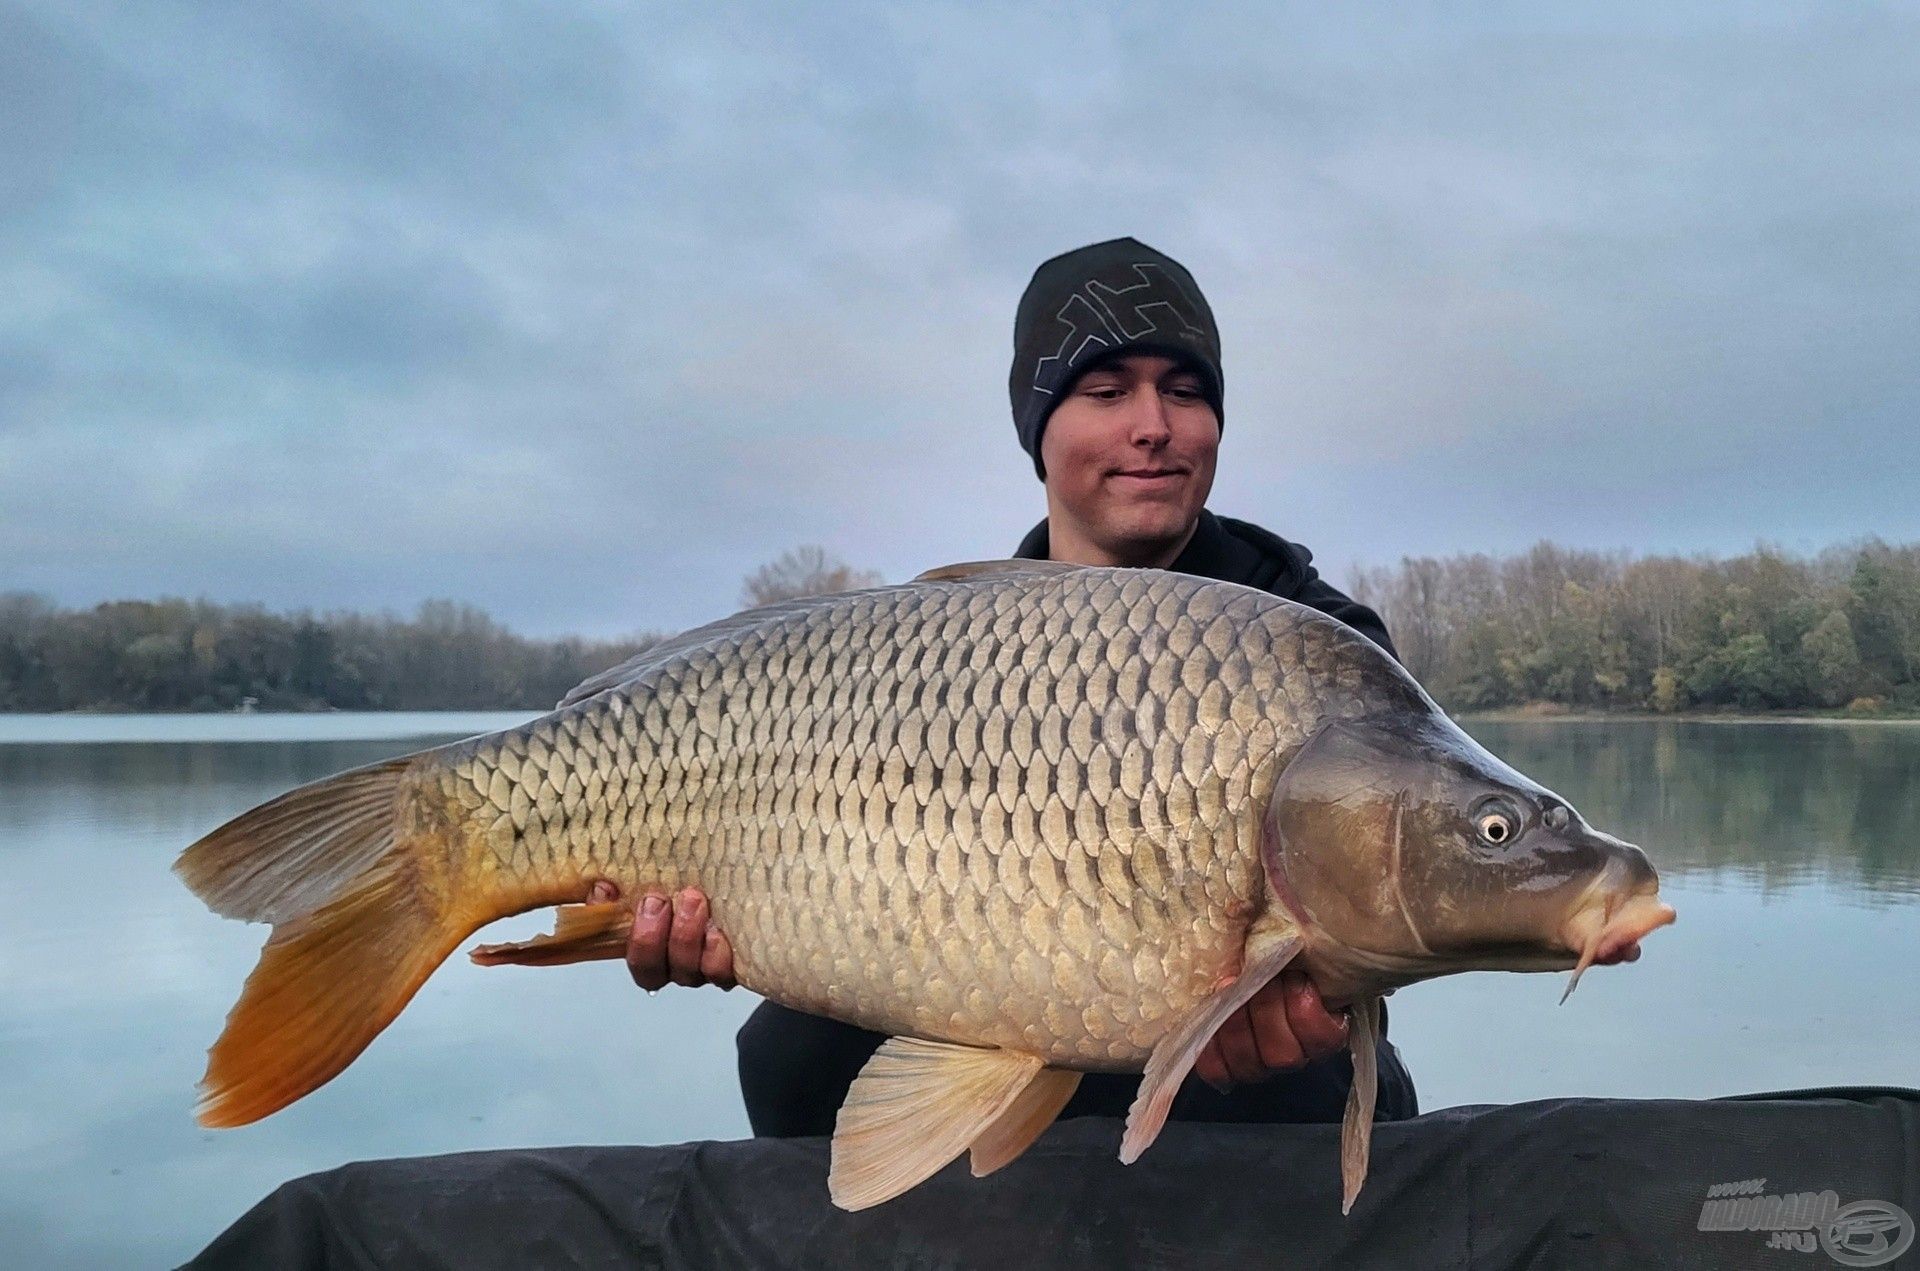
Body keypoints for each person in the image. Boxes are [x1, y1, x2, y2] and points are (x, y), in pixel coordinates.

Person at [589, 237, 1418, 1136]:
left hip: (1224, 1063)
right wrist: (702, 925)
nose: (1154, 424)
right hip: (965, 967)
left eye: (1185, 391)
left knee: (1326, 1090)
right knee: (783, 1062)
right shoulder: (949, 641)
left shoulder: (1320, 647)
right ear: (1040, 428)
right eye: (1106, 392)